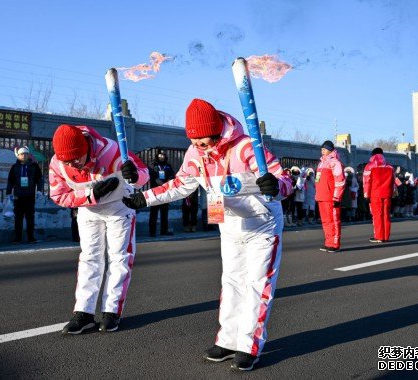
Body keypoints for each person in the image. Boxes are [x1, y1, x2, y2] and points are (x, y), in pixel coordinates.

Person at [122, 98, 293, 371]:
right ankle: (227, 340)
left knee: (257, 285)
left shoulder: (247, 147)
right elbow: (180, 185)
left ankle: (249, 345)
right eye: (195, 140)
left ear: (216, 130)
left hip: (262, 225)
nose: (200, 146)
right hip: (229, 226)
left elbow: (284, 180)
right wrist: (145, 199)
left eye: (204, 140)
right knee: (232, 283)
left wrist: (276, 186)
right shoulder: (194, 154)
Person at [48, 124, 149, 335]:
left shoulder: (111, 151)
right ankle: (83, 311)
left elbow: (144, 174)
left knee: (119, 258)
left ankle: (112, 311)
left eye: (77, 158)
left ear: (86, 146)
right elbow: (59, 196)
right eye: (67, 161)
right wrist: (90, 196)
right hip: (88, 210)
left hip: (119, 209)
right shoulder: (57, 164)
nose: (73, 164)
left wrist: (134, 176)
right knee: (90, 258)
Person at [6, 146, 43, 243]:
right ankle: (17, 238)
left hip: (30, 195)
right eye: (22, 154)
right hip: (18, 196)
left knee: (30, 217)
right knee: (18, 217)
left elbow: (39, 179)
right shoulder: (14, 167)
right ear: (18, 156)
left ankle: (31, 237)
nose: (24, 155)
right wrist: (8, 193)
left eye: (26, 153)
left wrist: (39, 190)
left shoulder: (34, 166)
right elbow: (10, 181)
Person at [315, 140, 345, 252]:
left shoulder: (335, 162)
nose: (322, 151)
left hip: (331, 197)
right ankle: (328, 242)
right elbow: (318, 180)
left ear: (330, 150)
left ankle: (335, 244)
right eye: (321, 149)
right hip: (322, 196)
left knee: (333, 220)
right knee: (325, 221)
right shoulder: (321, 163)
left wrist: (337, 197)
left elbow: (340, 180)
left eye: (324, 149)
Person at [363, 147, 394, 243]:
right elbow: (393, 182)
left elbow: (366, 182)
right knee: (386, 215)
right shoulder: (390, 167)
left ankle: (379, 236)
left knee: (377, 215)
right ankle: (385, 236)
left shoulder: (369, 166)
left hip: (375, 193)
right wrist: (392, 192)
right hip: (387, 193)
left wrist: (366, 195)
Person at [148, 149, 176, 237]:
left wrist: (169, 181)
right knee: (154, 212)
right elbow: (153, 178)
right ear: (157, 156)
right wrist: (163, 184)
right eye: (160, 155)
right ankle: (152, 231)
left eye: (163, 155)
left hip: (165, 192)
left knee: (164, 212)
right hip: (155, 191)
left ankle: (164, 230)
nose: (161, 157)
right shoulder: (153, 165)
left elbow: (172, 175)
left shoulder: (168, 166)